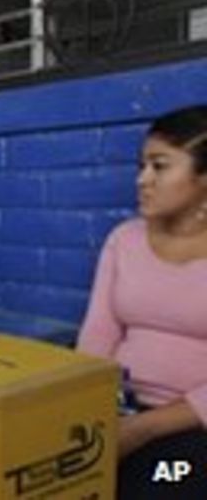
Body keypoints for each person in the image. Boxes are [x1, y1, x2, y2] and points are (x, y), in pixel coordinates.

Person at [77, 106, 207, 500]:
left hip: (190, 426)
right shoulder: (125, 240)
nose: (142, 180)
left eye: (159, 166)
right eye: (141, 166)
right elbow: (98, 334)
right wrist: (85, 406)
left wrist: (143, 429)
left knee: (160, 482)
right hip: (120, 408)